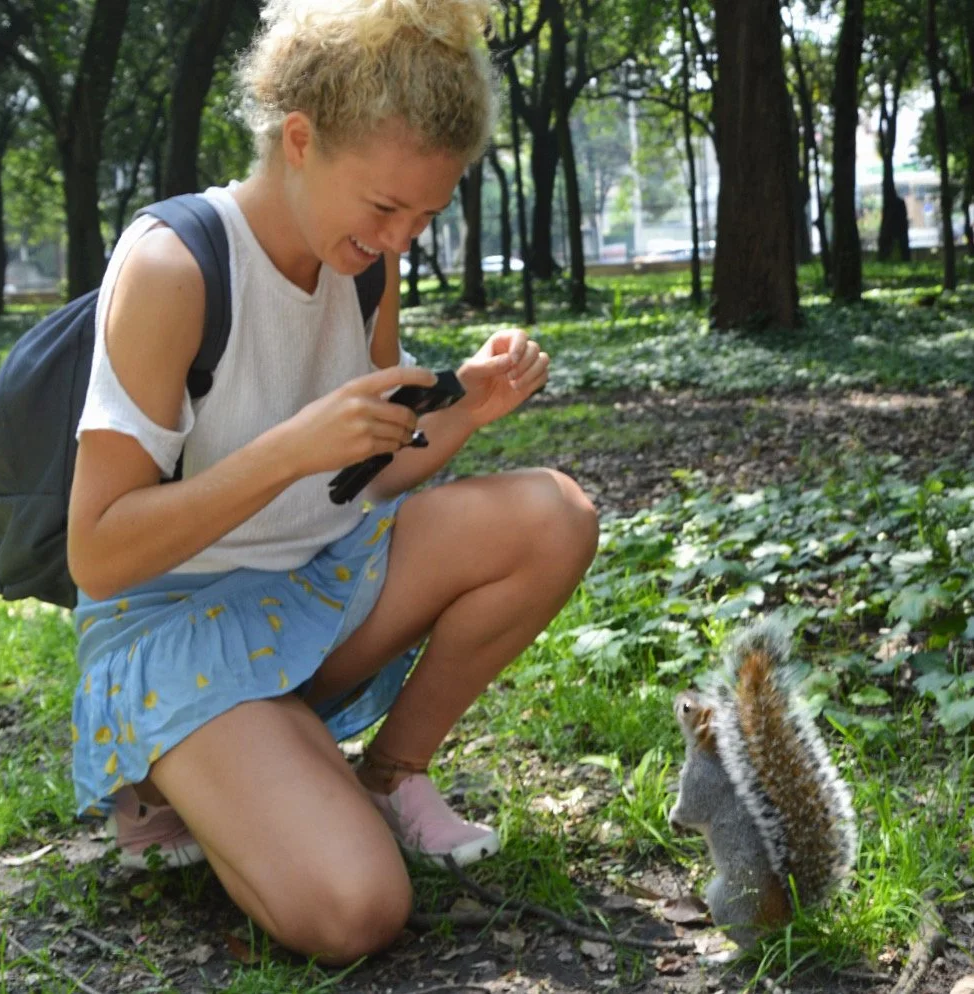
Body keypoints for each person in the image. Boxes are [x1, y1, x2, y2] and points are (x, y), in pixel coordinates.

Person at [66, 0, 599, 965]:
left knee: (554, 516)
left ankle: (384, 778)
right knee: (356, 910)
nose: (402, 241)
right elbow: (98, 553)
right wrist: (289, 450)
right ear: (300, 140)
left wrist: (466, 407)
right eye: (386, 208)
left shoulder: (365, 269)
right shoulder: (174, 266)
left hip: (318, 583)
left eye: (425, 216)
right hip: (173, 623)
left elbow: (365, 478)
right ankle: (183, 775)